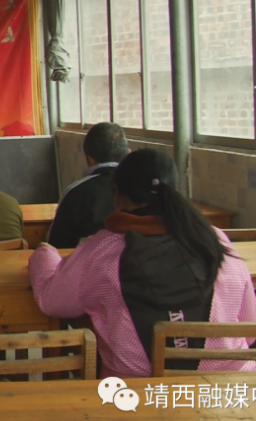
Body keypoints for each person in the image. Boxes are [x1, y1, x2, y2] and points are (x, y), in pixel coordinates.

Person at [29, 149, 256, 378]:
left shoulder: (102, 251)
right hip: (231, 390)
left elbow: (52, 300)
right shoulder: (214, 239)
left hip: (135, 397)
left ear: (116, 193)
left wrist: (43, 253)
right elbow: (250, 326)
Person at [47, 122, 130, 249]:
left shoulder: (75, 192)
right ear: (128, 154)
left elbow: (56, 245)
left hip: (87, 266)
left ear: (89, 158)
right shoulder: (141, 189)